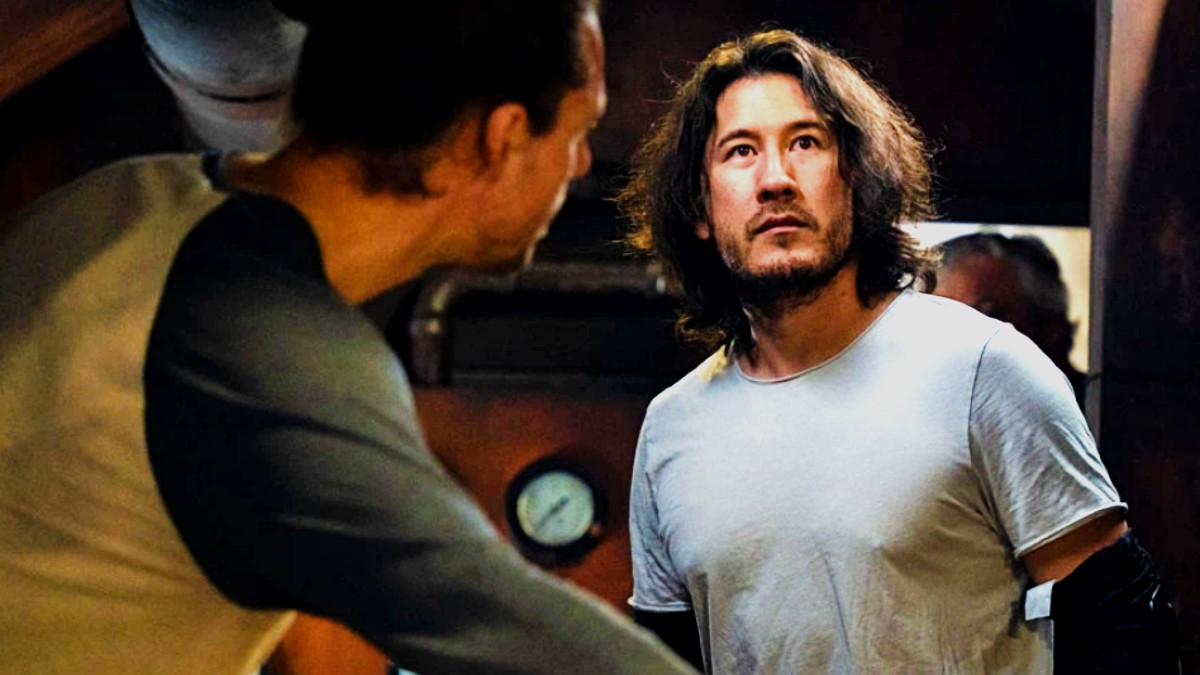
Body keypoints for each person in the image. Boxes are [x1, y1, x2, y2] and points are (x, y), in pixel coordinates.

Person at [0, 1, 697, 674]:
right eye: (577, 131)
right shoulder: (264, 352)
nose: (580, 165)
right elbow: (504, 624)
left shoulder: (130, 193)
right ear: (502, 137)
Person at [617, 28, 1179, 674]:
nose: (775, 179)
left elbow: (1125, 624)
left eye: (806, 142)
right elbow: (665, 661)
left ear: (856, 178)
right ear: (699, 206)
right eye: (741, 151)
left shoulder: (983, 370)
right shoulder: (670, 429)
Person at [933, 232, 1087, 409]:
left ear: (1050, 326)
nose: (953, 344)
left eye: (981, 319)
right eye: (938, 326)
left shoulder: (1101, 413)